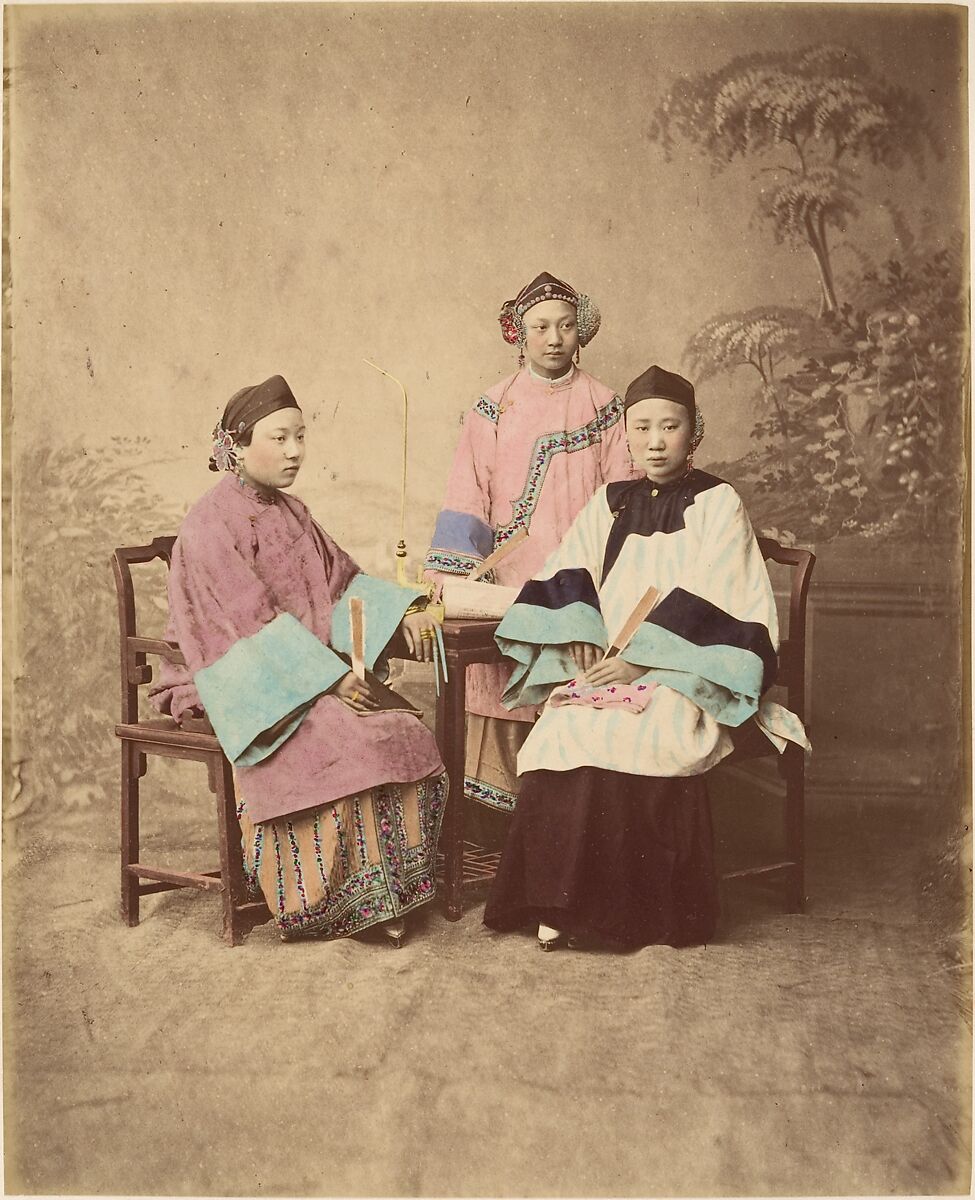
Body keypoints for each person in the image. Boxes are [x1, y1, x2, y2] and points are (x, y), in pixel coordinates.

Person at [482, 365, 810, 951]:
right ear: (627, 436)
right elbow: (567, 569)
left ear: (694, 432)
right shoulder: (608, 502)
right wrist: (579, 628)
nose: (655, 441)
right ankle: (560, 901)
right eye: (642, 429)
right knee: (567, 725)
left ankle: (635, 913)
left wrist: (646, 664)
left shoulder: (718, 502)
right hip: (610, 662)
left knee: (648, 730)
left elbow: (724, 593)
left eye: (670, 427)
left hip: (689, 669)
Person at [150, 375, 446, 946]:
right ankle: (325, 903)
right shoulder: (210, 525)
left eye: (300, 438)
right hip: (240, 678)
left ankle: (386, 893)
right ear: (236, 446)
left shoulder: (293, 512)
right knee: (343, 736)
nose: (294, 451)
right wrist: (329, 680)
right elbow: (242, 627)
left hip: (307, 672)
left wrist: (402, 613)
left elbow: (343, 584)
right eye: (279, 438)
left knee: (399, 727)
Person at [424, 271, 639, 833]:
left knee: (581, 683)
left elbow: (625, 496)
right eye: (540, 326)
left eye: (566, 326)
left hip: (584, 572)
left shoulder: (605, 406)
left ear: (580, 333)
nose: (554, 338)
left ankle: (572, 829)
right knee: (505, 684)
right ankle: (507, 837)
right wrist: (453, 576)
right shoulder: (492, 407)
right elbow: (467, 492)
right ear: (518, 333)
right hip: (511, 574)